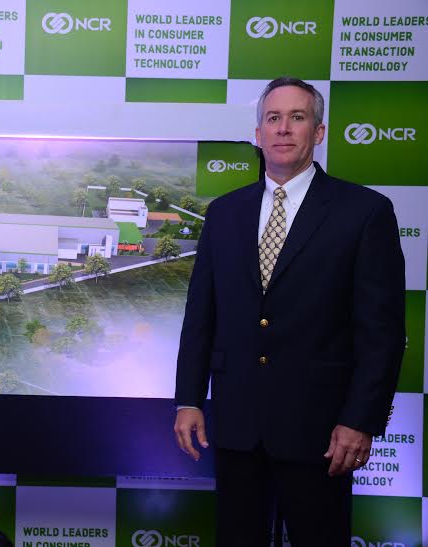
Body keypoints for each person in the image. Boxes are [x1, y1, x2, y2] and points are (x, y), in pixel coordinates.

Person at [173, 77, 405, 546]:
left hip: (322, 432)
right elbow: (201, 316)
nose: (283, 129)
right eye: (273, 118)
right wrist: (189, 399)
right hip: (238, 426)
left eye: (297, 117)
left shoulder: (365, 212)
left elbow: (381, 333)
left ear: (318, 132)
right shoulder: (224, 213)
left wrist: (360, 420)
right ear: (257, 134)